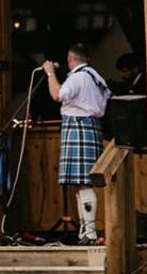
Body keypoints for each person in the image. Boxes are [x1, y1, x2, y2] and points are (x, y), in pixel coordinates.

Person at [43, 44, 112, 245]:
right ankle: (85, 231)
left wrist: (50, 74)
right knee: (81, 185)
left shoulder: (77, 77)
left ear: (70, 59)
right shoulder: (95, 76)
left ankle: (89, 233)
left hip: (79, 126)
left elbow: (57, 95)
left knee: (83, 183)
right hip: (91, 126)